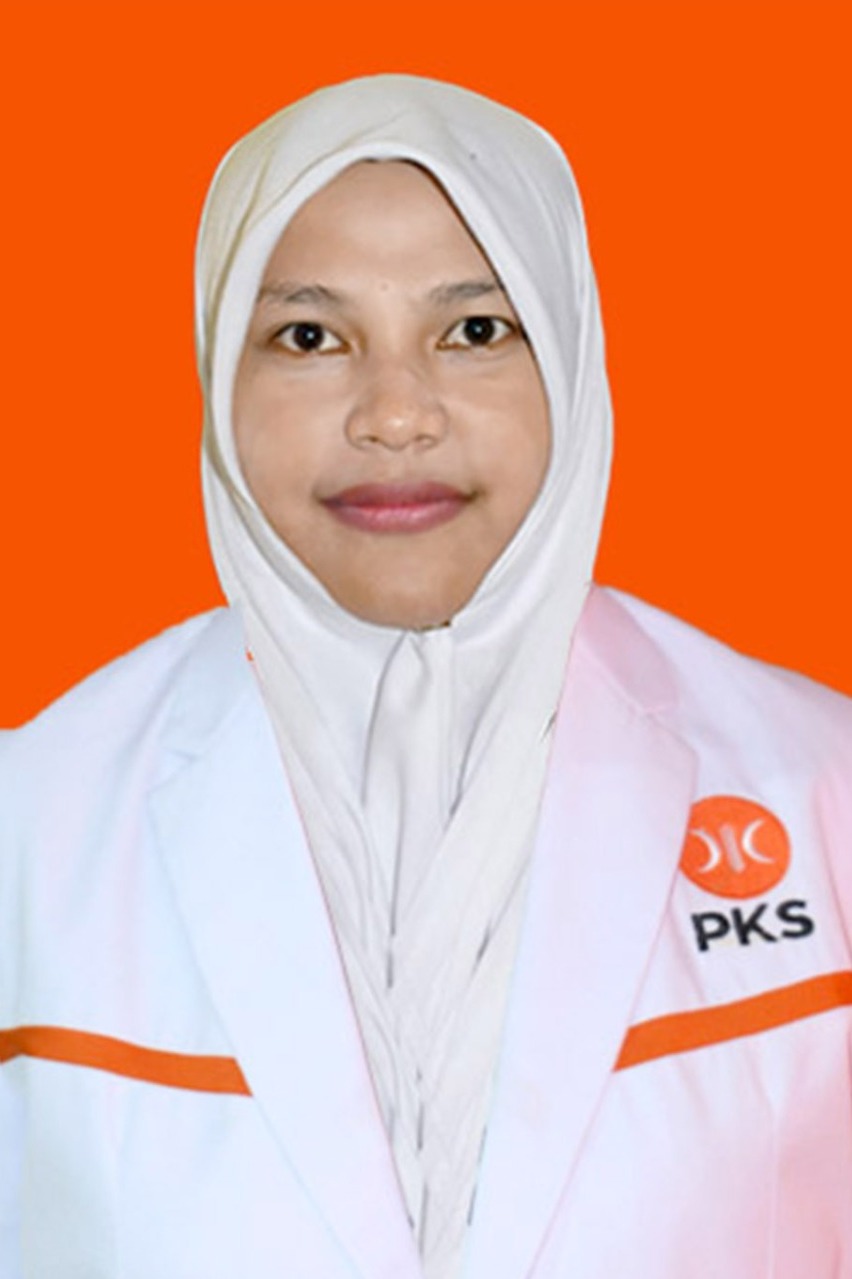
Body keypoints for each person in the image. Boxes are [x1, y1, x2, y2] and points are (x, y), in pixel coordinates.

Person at [1, 74, 850, 1279]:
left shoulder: (822, 789)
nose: (395, 415)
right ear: (217, 371)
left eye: (475, 330)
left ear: (571, 355)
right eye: (309, 337)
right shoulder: (32, 823)